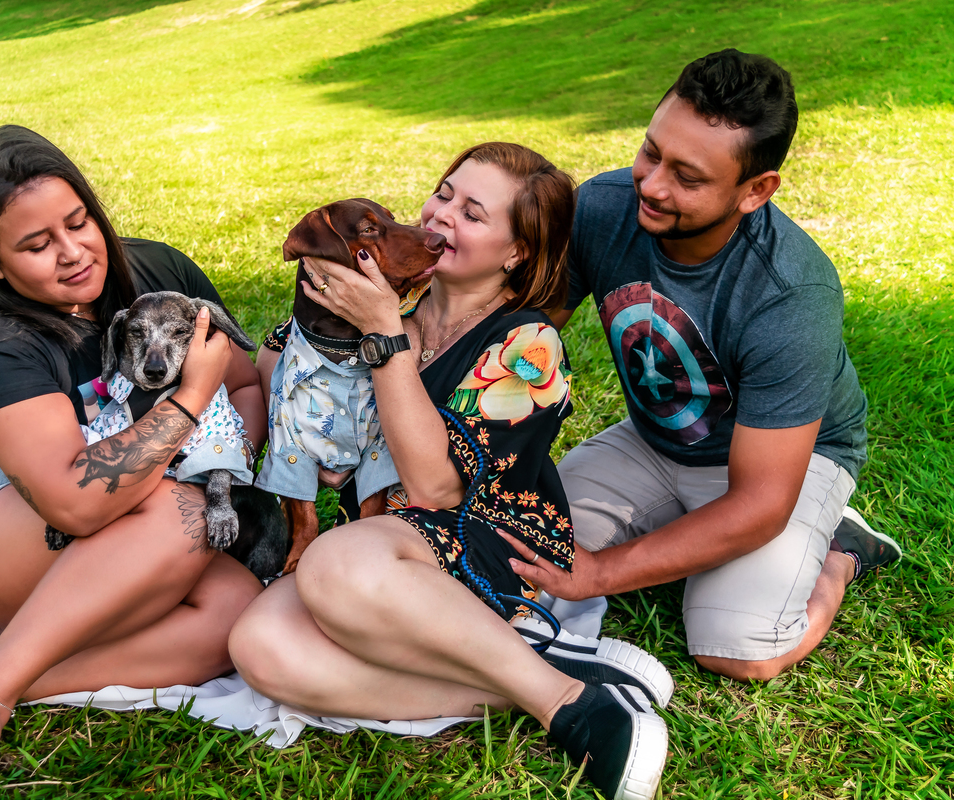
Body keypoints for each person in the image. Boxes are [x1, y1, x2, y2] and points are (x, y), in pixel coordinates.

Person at [231, 143, 671, 800]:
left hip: (483, 540)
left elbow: (435, 488)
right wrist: (309, 335)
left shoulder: (528, 347)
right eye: (442, 194)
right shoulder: (386, 314)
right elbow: (283, 396)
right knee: (260, 644)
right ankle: (529, 670)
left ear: (515, 251)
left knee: (336, 564)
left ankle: (571, 707)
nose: (441, 218)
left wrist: (384, 338)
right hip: (381, 548)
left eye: (472, 212)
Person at [0, 125, 265, 800]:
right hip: (11, 526)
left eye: (79, 224)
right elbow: (73, 500)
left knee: (240, 617)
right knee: (174, 507)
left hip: (152, 514)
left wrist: (224, 459)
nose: (73, 253)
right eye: (38, 245)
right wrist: (189, 402)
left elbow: (244, 385)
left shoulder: (159, 276)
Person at [506, 50, 902, 683]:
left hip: (785, 463)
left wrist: (601, 571)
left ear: (756, 190)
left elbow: (762, 502)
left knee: (741, 649)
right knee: (518, 555)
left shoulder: (791, 292)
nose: (653, 184)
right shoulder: (605, 207)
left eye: (687, 178)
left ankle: (843, 547)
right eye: (650, 152)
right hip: (658, 438)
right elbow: (525, 333)